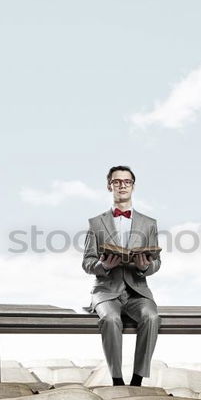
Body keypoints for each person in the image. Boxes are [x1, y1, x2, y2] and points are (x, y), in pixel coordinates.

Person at [82, 165, 161, 386]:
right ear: (109, 186)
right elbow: (87, 262)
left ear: (133, 186)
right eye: (117, 182)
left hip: (137, 291)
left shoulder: (149, 224)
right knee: (109, 318)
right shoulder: (96, 223)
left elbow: (157, 262)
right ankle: (117, 381)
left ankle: (137, 381)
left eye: (127, 181)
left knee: (152, 317)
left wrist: (145, 266)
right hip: (106, 291)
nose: (122, 185)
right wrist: (103, 265)